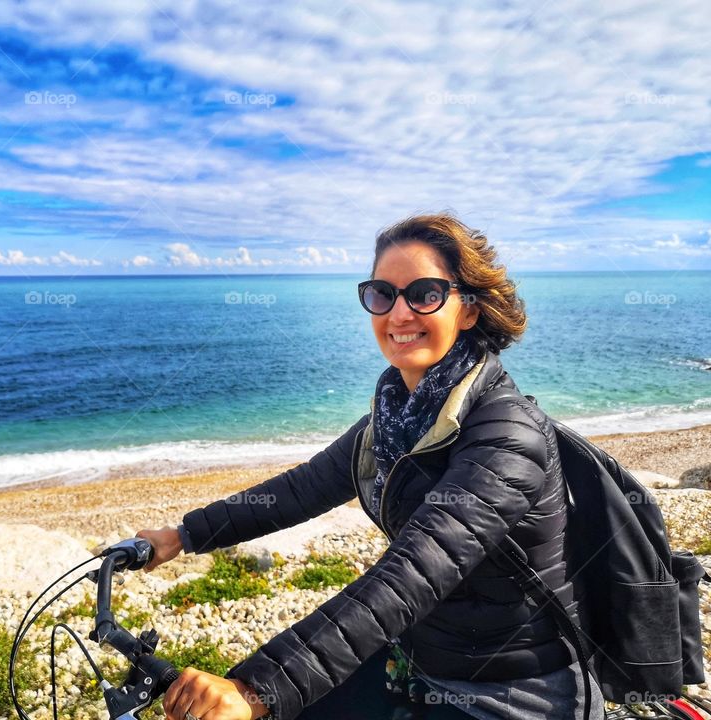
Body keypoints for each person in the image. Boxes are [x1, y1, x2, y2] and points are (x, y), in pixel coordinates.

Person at [137, 213, 605, 720]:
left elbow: (414, 571)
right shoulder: (395, 417)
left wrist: (255, 688)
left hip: (515, 692)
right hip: (421, 655)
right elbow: (301, 489)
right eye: (383, 294)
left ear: (468, 310)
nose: (399, 313)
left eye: (424, 293)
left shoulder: (507, 436)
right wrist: (182, 536)